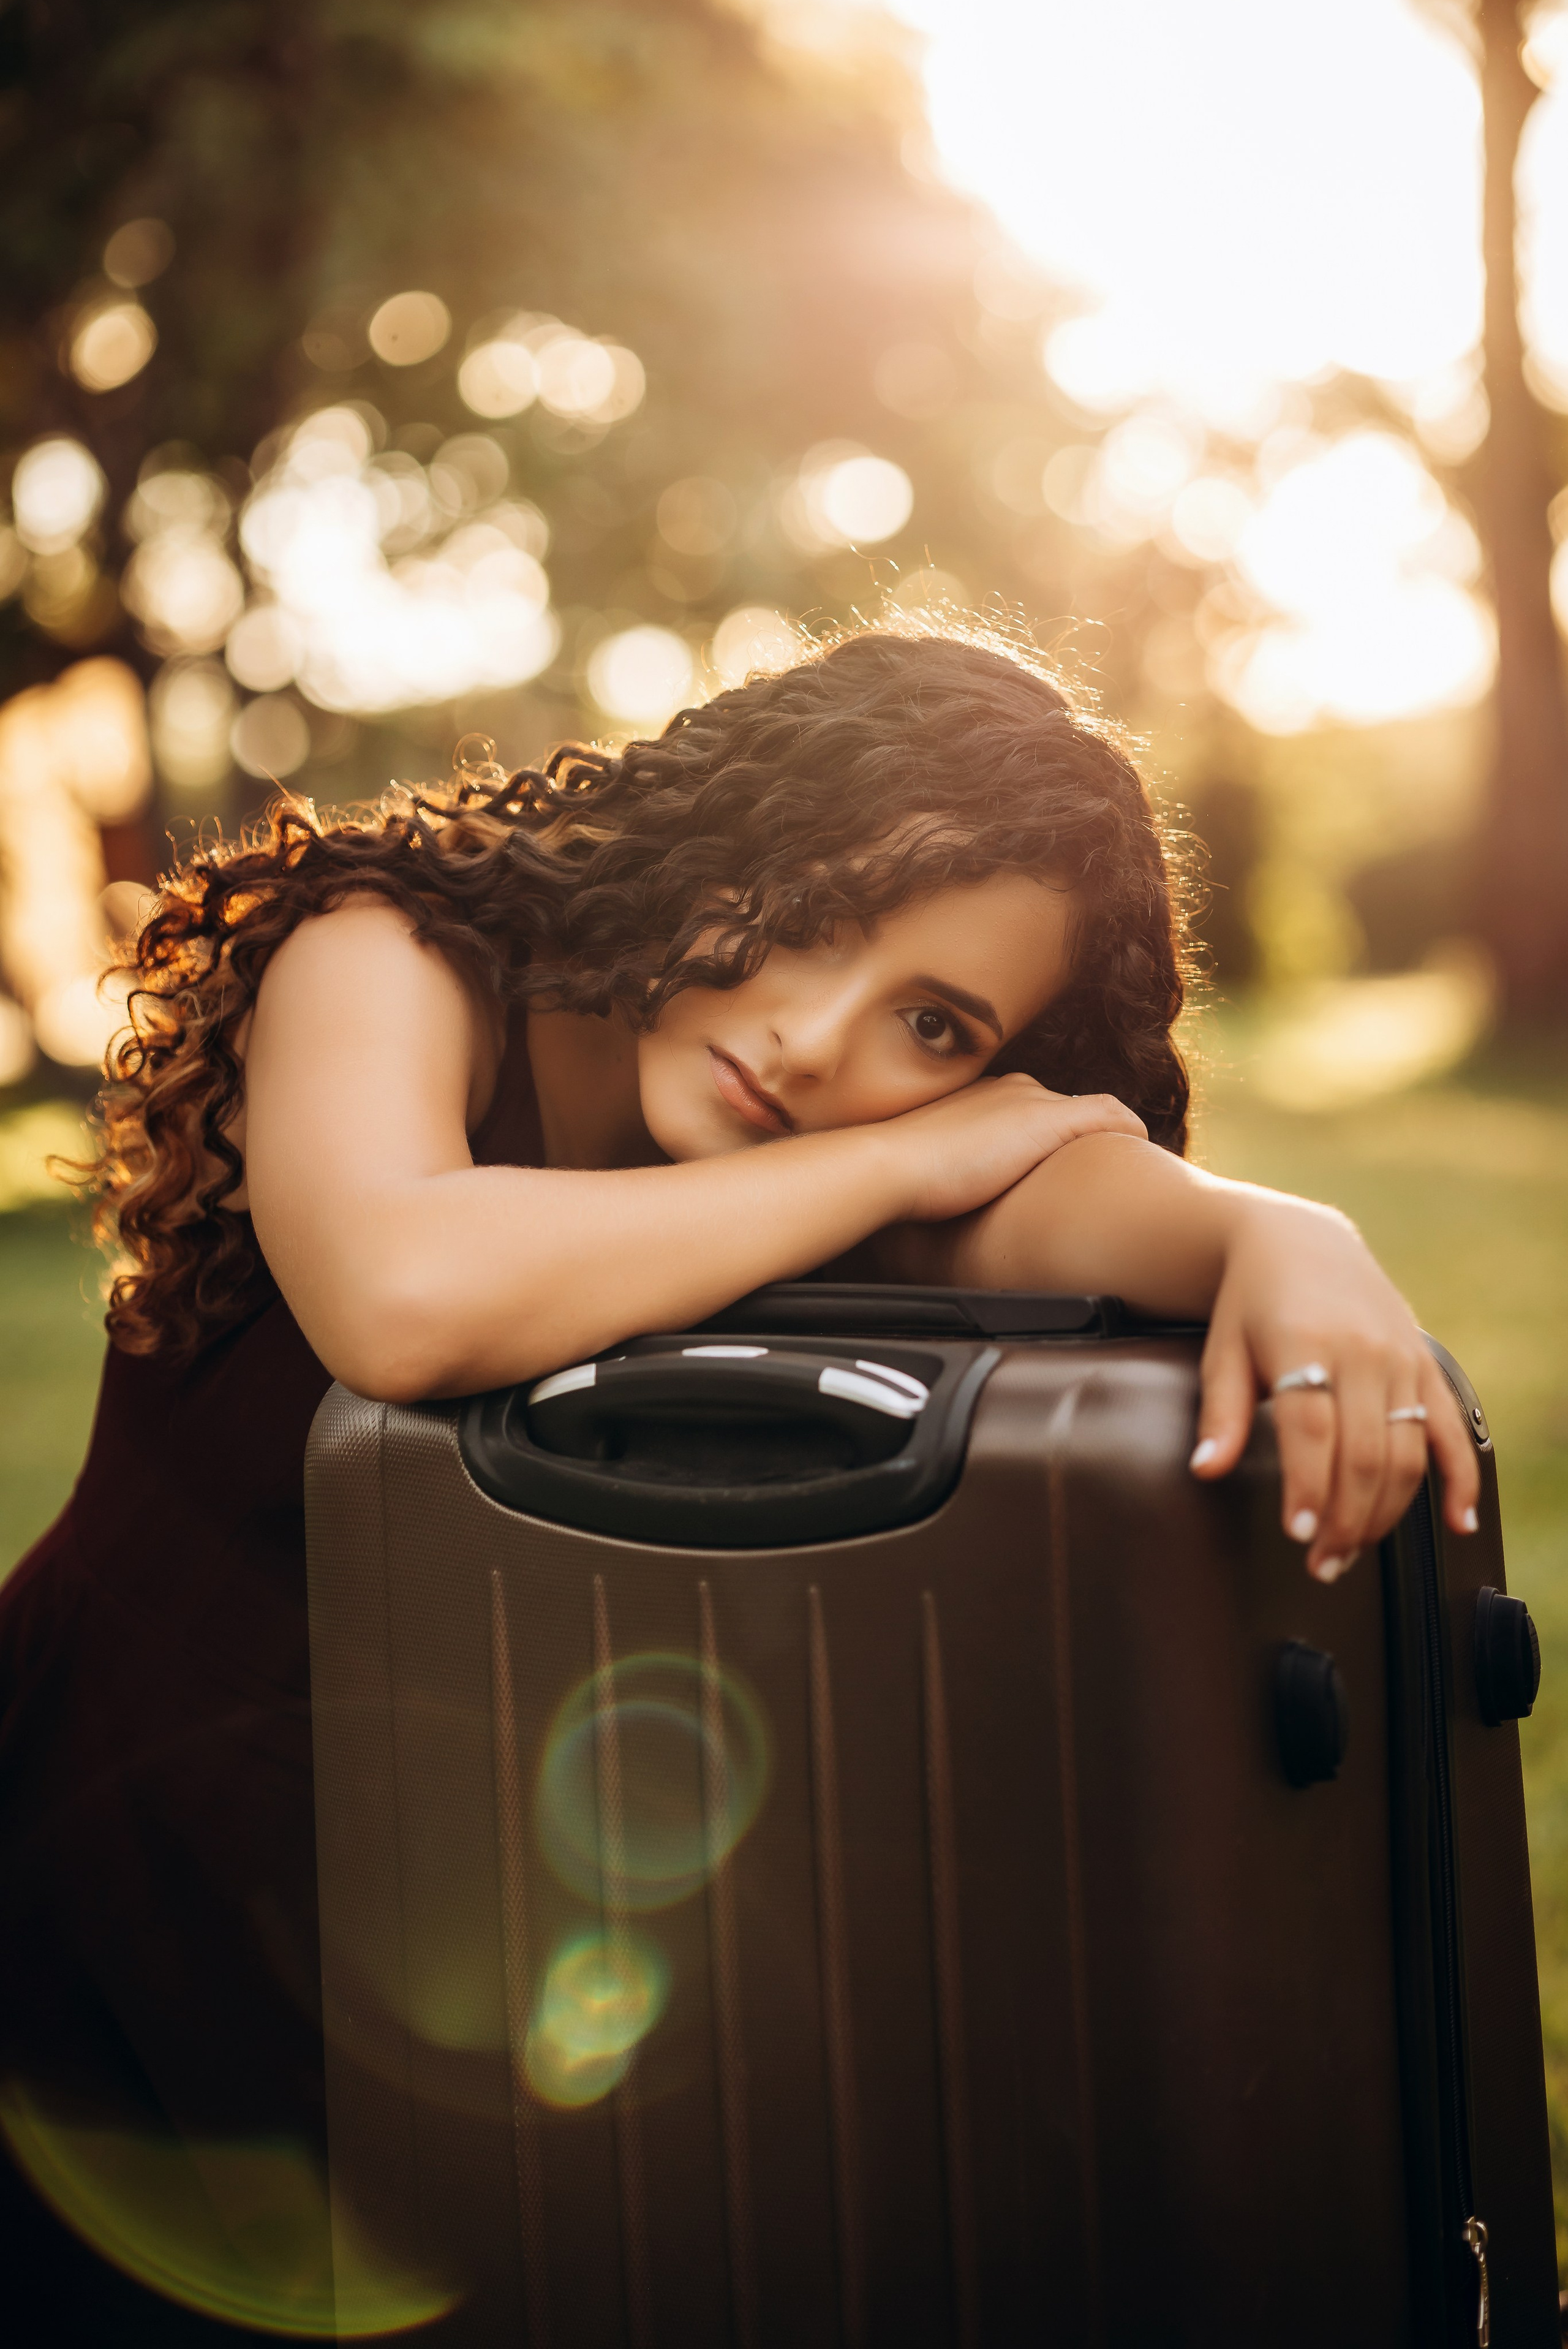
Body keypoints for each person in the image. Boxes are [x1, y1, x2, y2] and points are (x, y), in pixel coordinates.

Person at [0, 621, 1477, 2337]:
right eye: (819, 911)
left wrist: (1279, 1239)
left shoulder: (827, 1144)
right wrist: (915, 1146)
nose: (812, 1040)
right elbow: (406, 1297)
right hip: (89, 1861)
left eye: (933, 1022)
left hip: (441, 1941)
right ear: (727, 827)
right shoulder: (387, 949)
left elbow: (1068, 1188)